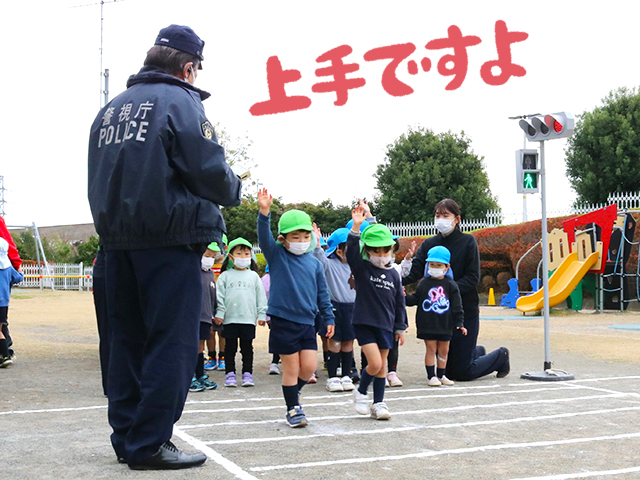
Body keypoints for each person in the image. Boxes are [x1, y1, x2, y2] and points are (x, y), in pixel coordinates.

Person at [87, 25, 242, 470]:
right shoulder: (181, 102)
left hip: (115, 245)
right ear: (189, 67)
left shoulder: (110, 111)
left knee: (124, 344)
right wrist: (234, 188)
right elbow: (209, 169)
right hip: (169, 240)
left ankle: (127, 437)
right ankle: (151, 441)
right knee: (170, 344)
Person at [404, 199, 509, 381]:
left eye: (446, 215)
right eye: (438, 215)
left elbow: (472, 278)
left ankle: (501, 356)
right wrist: (391, 282)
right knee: (445, 366)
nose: (441, 219)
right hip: (438, 317)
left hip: (463, 311)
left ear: (457, 219)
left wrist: (446, 289)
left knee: (459, 373)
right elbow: (414, 273)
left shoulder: (468, 242)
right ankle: (475, 352)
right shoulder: (429, 244)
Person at [257, 188, 335, 428]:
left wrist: (328, 317)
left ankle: (294, 395)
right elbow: (263, 238)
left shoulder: (314, 264)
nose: (301, 241)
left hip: (308, 322)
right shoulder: (277, 256)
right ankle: (293, 409)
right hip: (283, 321)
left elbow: (323, 293)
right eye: (295, 237)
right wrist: (264, 212)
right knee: (291, 368)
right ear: (284, 238)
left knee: (309, 367)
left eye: (304, 236)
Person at [348, 206, 407, 420]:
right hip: (364, 323)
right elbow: (351, 251)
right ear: (368, 251)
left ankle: (379, 403)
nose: (381, 255)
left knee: (381, 368)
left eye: (385, 250)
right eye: (376, 250)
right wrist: (356, 226)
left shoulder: (394, 274)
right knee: (375, 363)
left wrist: (400, 327)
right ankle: (361, 392)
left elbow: (399, 303)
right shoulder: (363, 269)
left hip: (387, 326)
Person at [405, 245, 467, 386]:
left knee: (444, 351)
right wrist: (404, 297)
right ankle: (431, 376)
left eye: (438, 265)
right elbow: (415, 299)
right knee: (431, 350)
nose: (434, 267)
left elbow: (457, 306)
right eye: (432, 264)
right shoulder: (423, 283)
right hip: (427, 324)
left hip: (445, 324)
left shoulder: (451, 285)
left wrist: (459, 323)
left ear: (447, 267)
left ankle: (441, 375)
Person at [215, 237, 267, 388]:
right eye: (239, 253)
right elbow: (220, 296)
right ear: (231, 256)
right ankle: (230, 373)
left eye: (246, 254)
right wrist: (220, 313)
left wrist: (262, 314)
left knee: (247, 348)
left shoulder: (253, 276)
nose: (243, 257)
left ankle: (247, 373)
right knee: (229, 348)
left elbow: (261, 297)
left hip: (248, 319)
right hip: (230, 318)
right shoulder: (225, 276)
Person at [312, 225, 356, 393]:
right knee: (335, 343)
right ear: (338, 250)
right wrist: (317, 243)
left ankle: (346, 375)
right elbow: (319, 259)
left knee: (348, 344)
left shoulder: (354, 265)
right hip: (334, 308)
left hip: (352, 309)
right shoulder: (329, 264)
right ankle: (332, 377)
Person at [190, 244, 219, 392]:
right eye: (207, 256)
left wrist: (215, 313)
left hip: (206, 317)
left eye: (213, 257)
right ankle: (190, 377)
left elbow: (213, 297)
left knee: (200, 347)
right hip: (191, 317)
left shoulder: (210, 274)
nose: (210, 259)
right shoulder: (191, 272)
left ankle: (200, 375)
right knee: (190, 346)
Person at [0, 238, 23, 368]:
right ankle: (5, 355)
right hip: (3, 303)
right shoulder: (8, 268)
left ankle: (5, 356)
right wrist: (20, 271)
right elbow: (18, 278)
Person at [204, 240, 226, 372]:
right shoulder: (204, 265)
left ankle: (222, 356)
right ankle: (211, 356)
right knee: (209, 331)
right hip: (208, 301)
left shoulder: (227, 266)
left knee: (222, 331)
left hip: (222, 302)